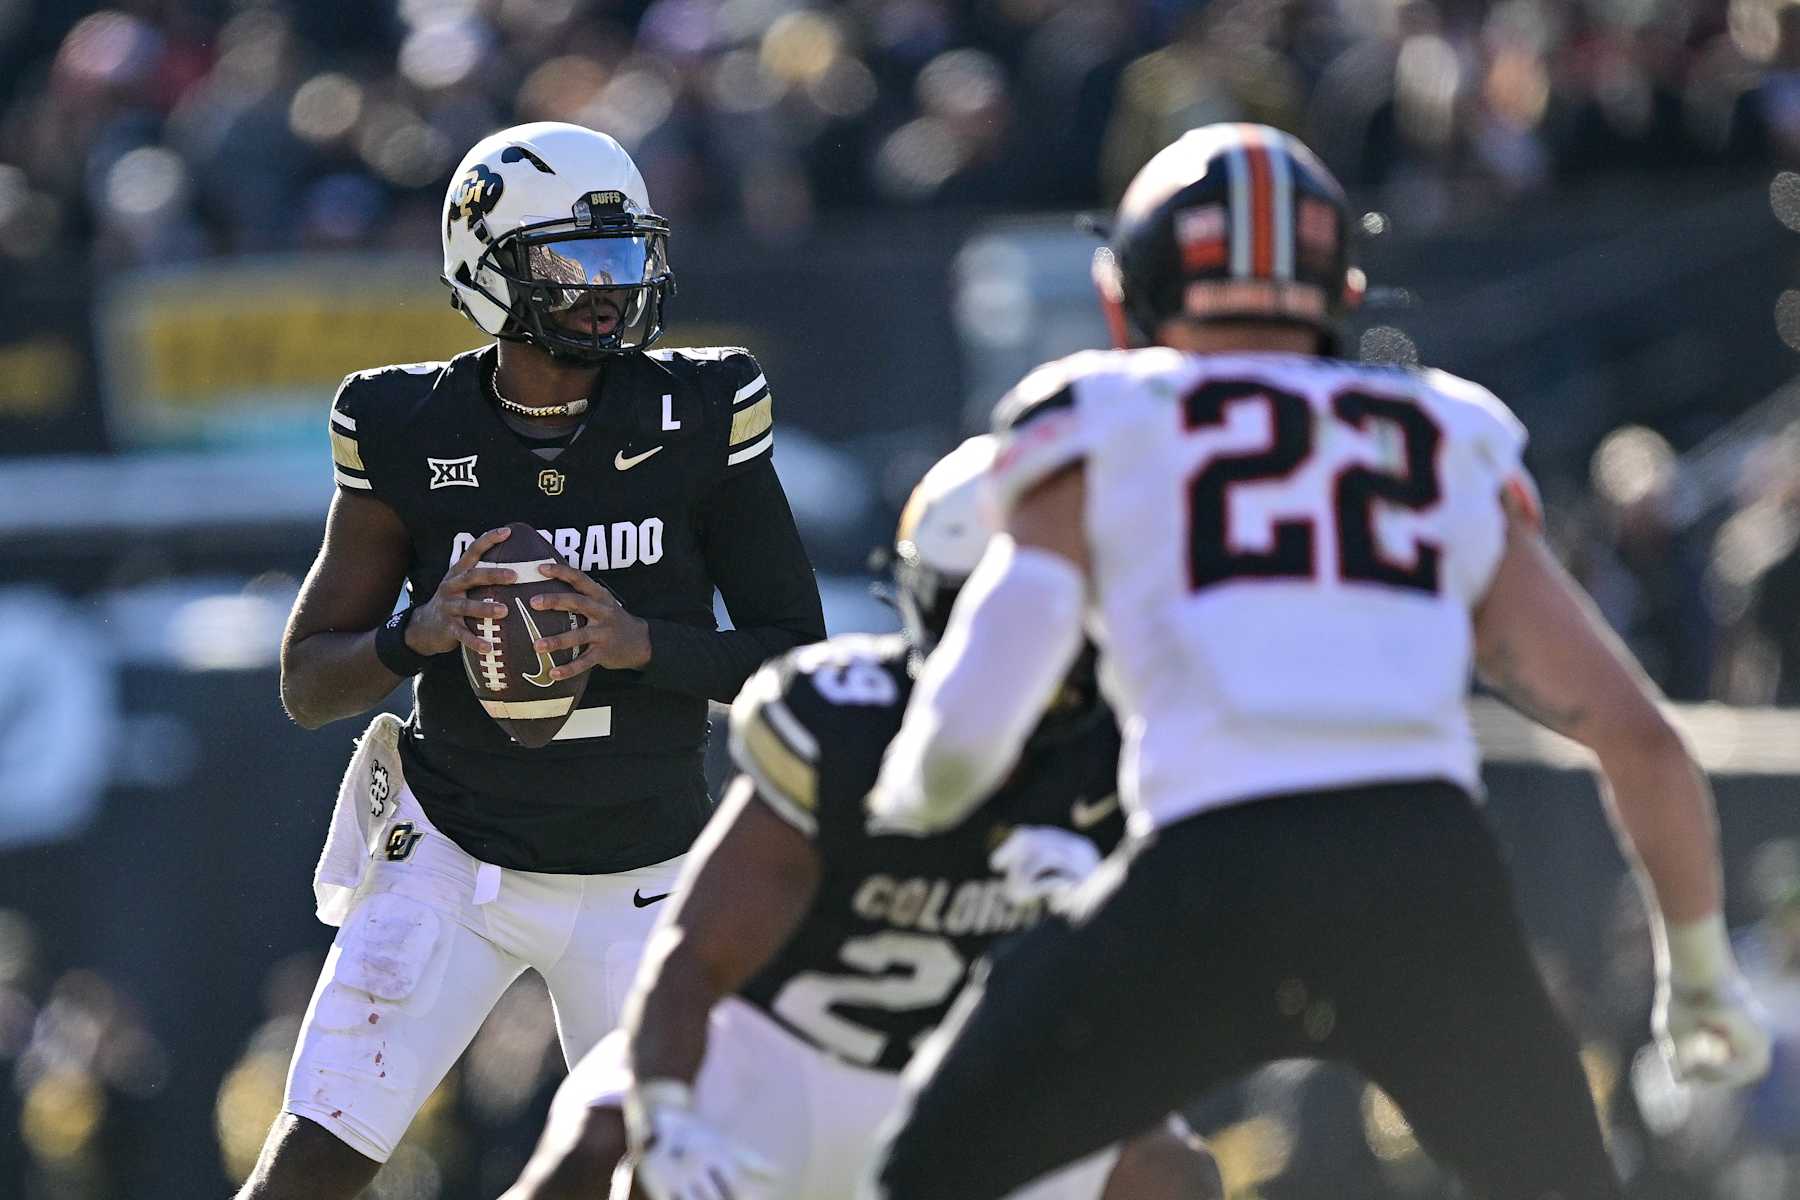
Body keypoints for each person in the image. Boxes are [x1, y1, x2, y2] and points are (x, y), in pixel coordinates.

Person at [867, 123, 1772, 1200]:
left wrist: (904, 819)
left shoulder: (1099, 417)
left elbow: (968, 732)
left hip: (1212, 869)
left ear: (1132, 296)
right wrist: (1702, 978)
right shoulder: (1441, 433)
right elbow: (1639, 737)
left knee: (926, 1171)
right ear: (1336, 290)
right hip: (1425, 877)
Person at [242, 121, 825, 1200]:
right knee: (311, 1163)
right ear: (486, 266)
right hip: (453, 857)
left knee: (674, 1183)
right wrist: (416, 634)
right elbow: (306, 683)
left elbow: (795, 655)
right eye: (572, 261)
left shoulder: (697, 410)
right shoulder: (405, 422)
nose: (609, 290)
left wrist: (638, 644)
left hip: (648, 872)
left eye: (624, 258)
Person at [501, 437, 1222, 1200]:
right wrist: (670, 1117)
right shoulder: (845, 726)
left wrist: (1101, 923)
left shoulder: (1130, 752)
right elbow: (692, 960)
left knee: (1166, 1172)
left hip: (982, 1090)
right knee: (601, 1138)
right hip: (787, 1061)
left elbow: (1191, 1017)